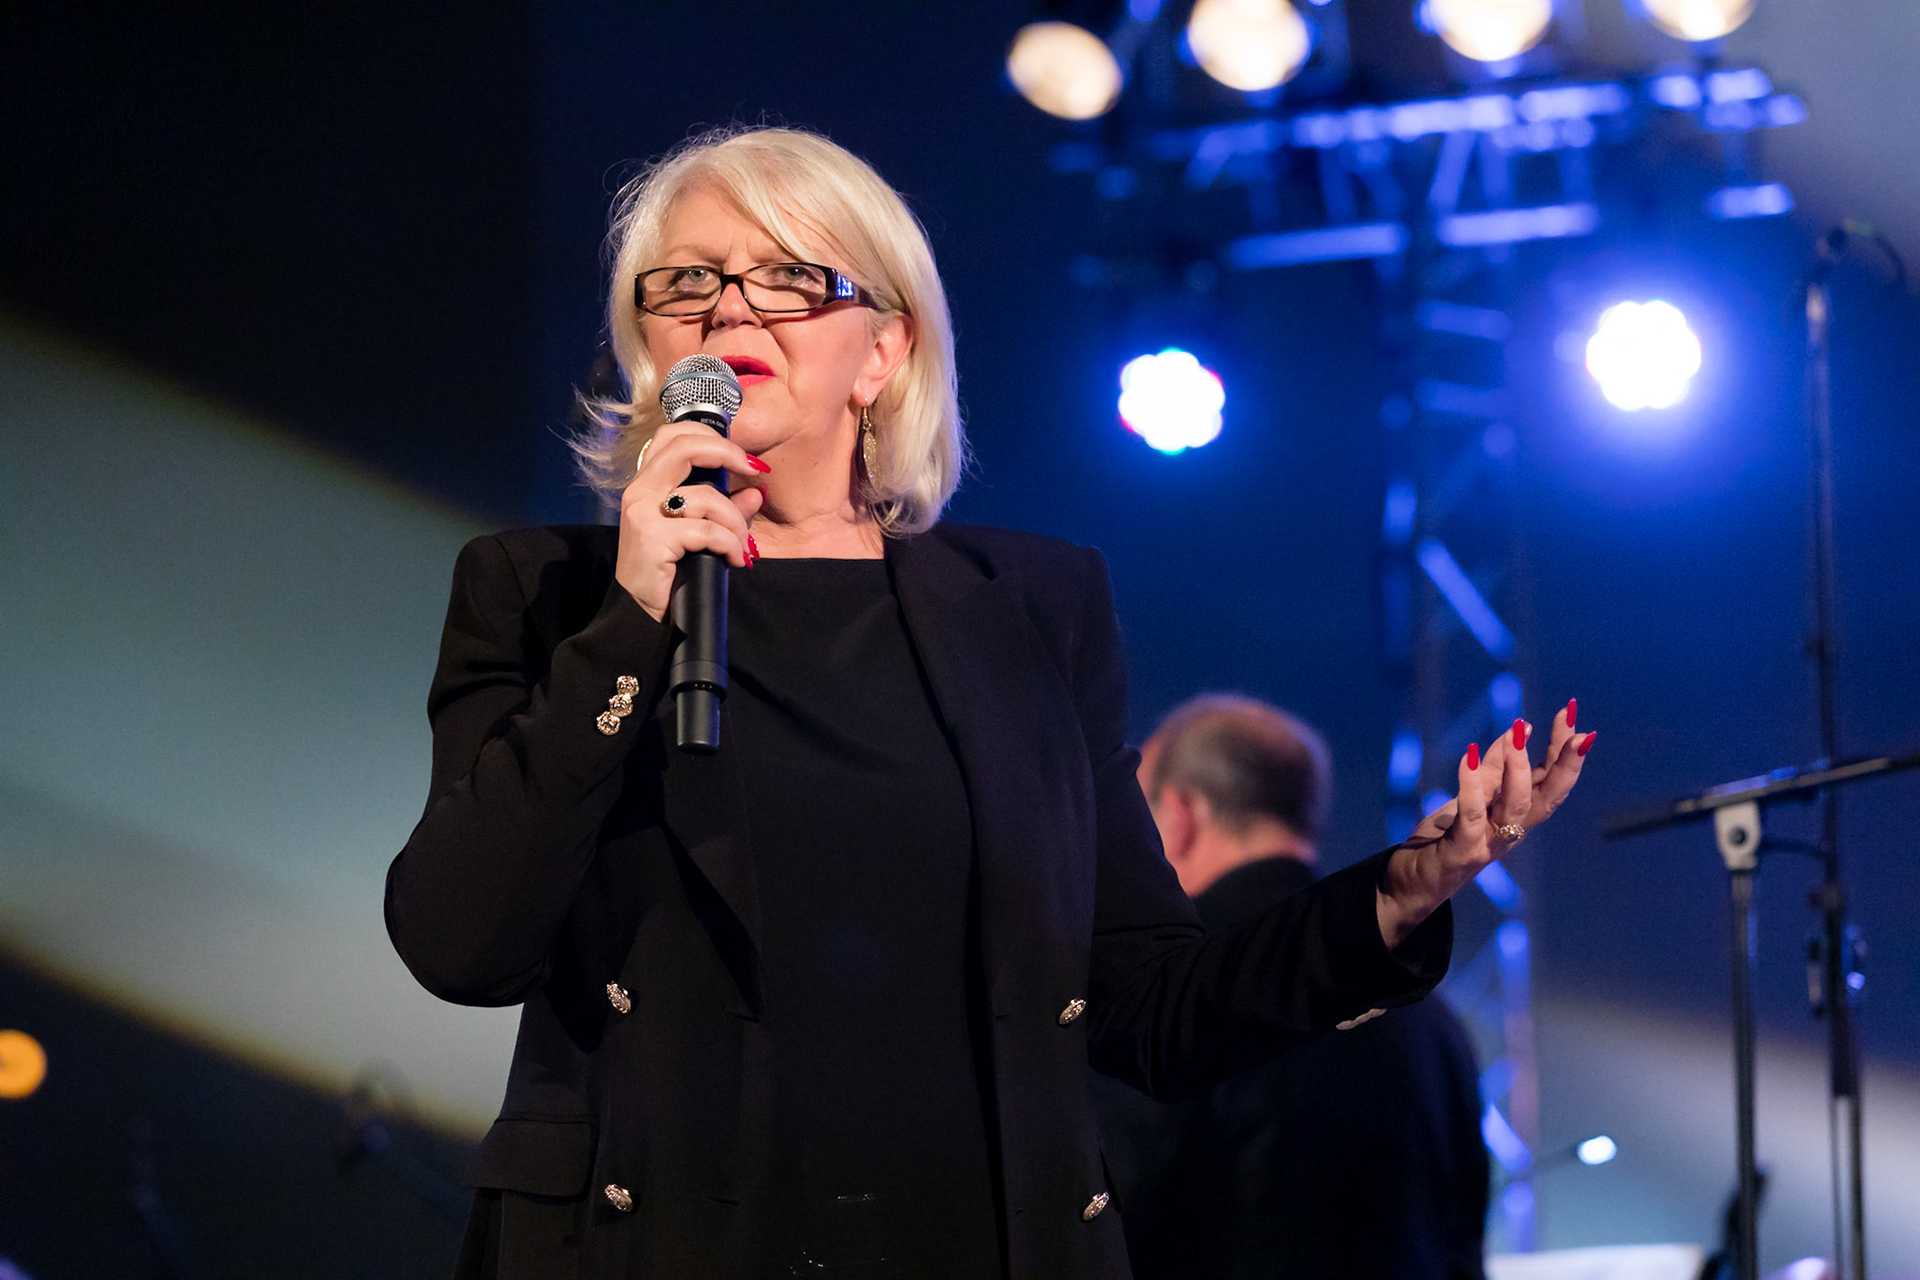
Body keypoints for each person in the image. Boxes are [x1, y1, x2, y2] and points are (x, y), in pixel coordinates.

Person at [382, 125, 1596, 1280]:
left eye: (791, 276)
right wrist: (628, 622)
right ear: (652, 347)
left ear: (885, 351)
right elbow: (461, 940)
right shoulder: (544, 597)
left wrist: (1396, 893)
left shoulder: (1032, 608)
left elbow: (1146, 1003)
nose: (731, 305)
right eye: (686, 280)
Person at [1095, 695, 1498, 1279]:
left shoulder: (1161, 995)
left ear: (1180, 815)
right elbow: (1461, 1241)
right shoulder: (1434, 1019)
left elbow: (1118, 1207)